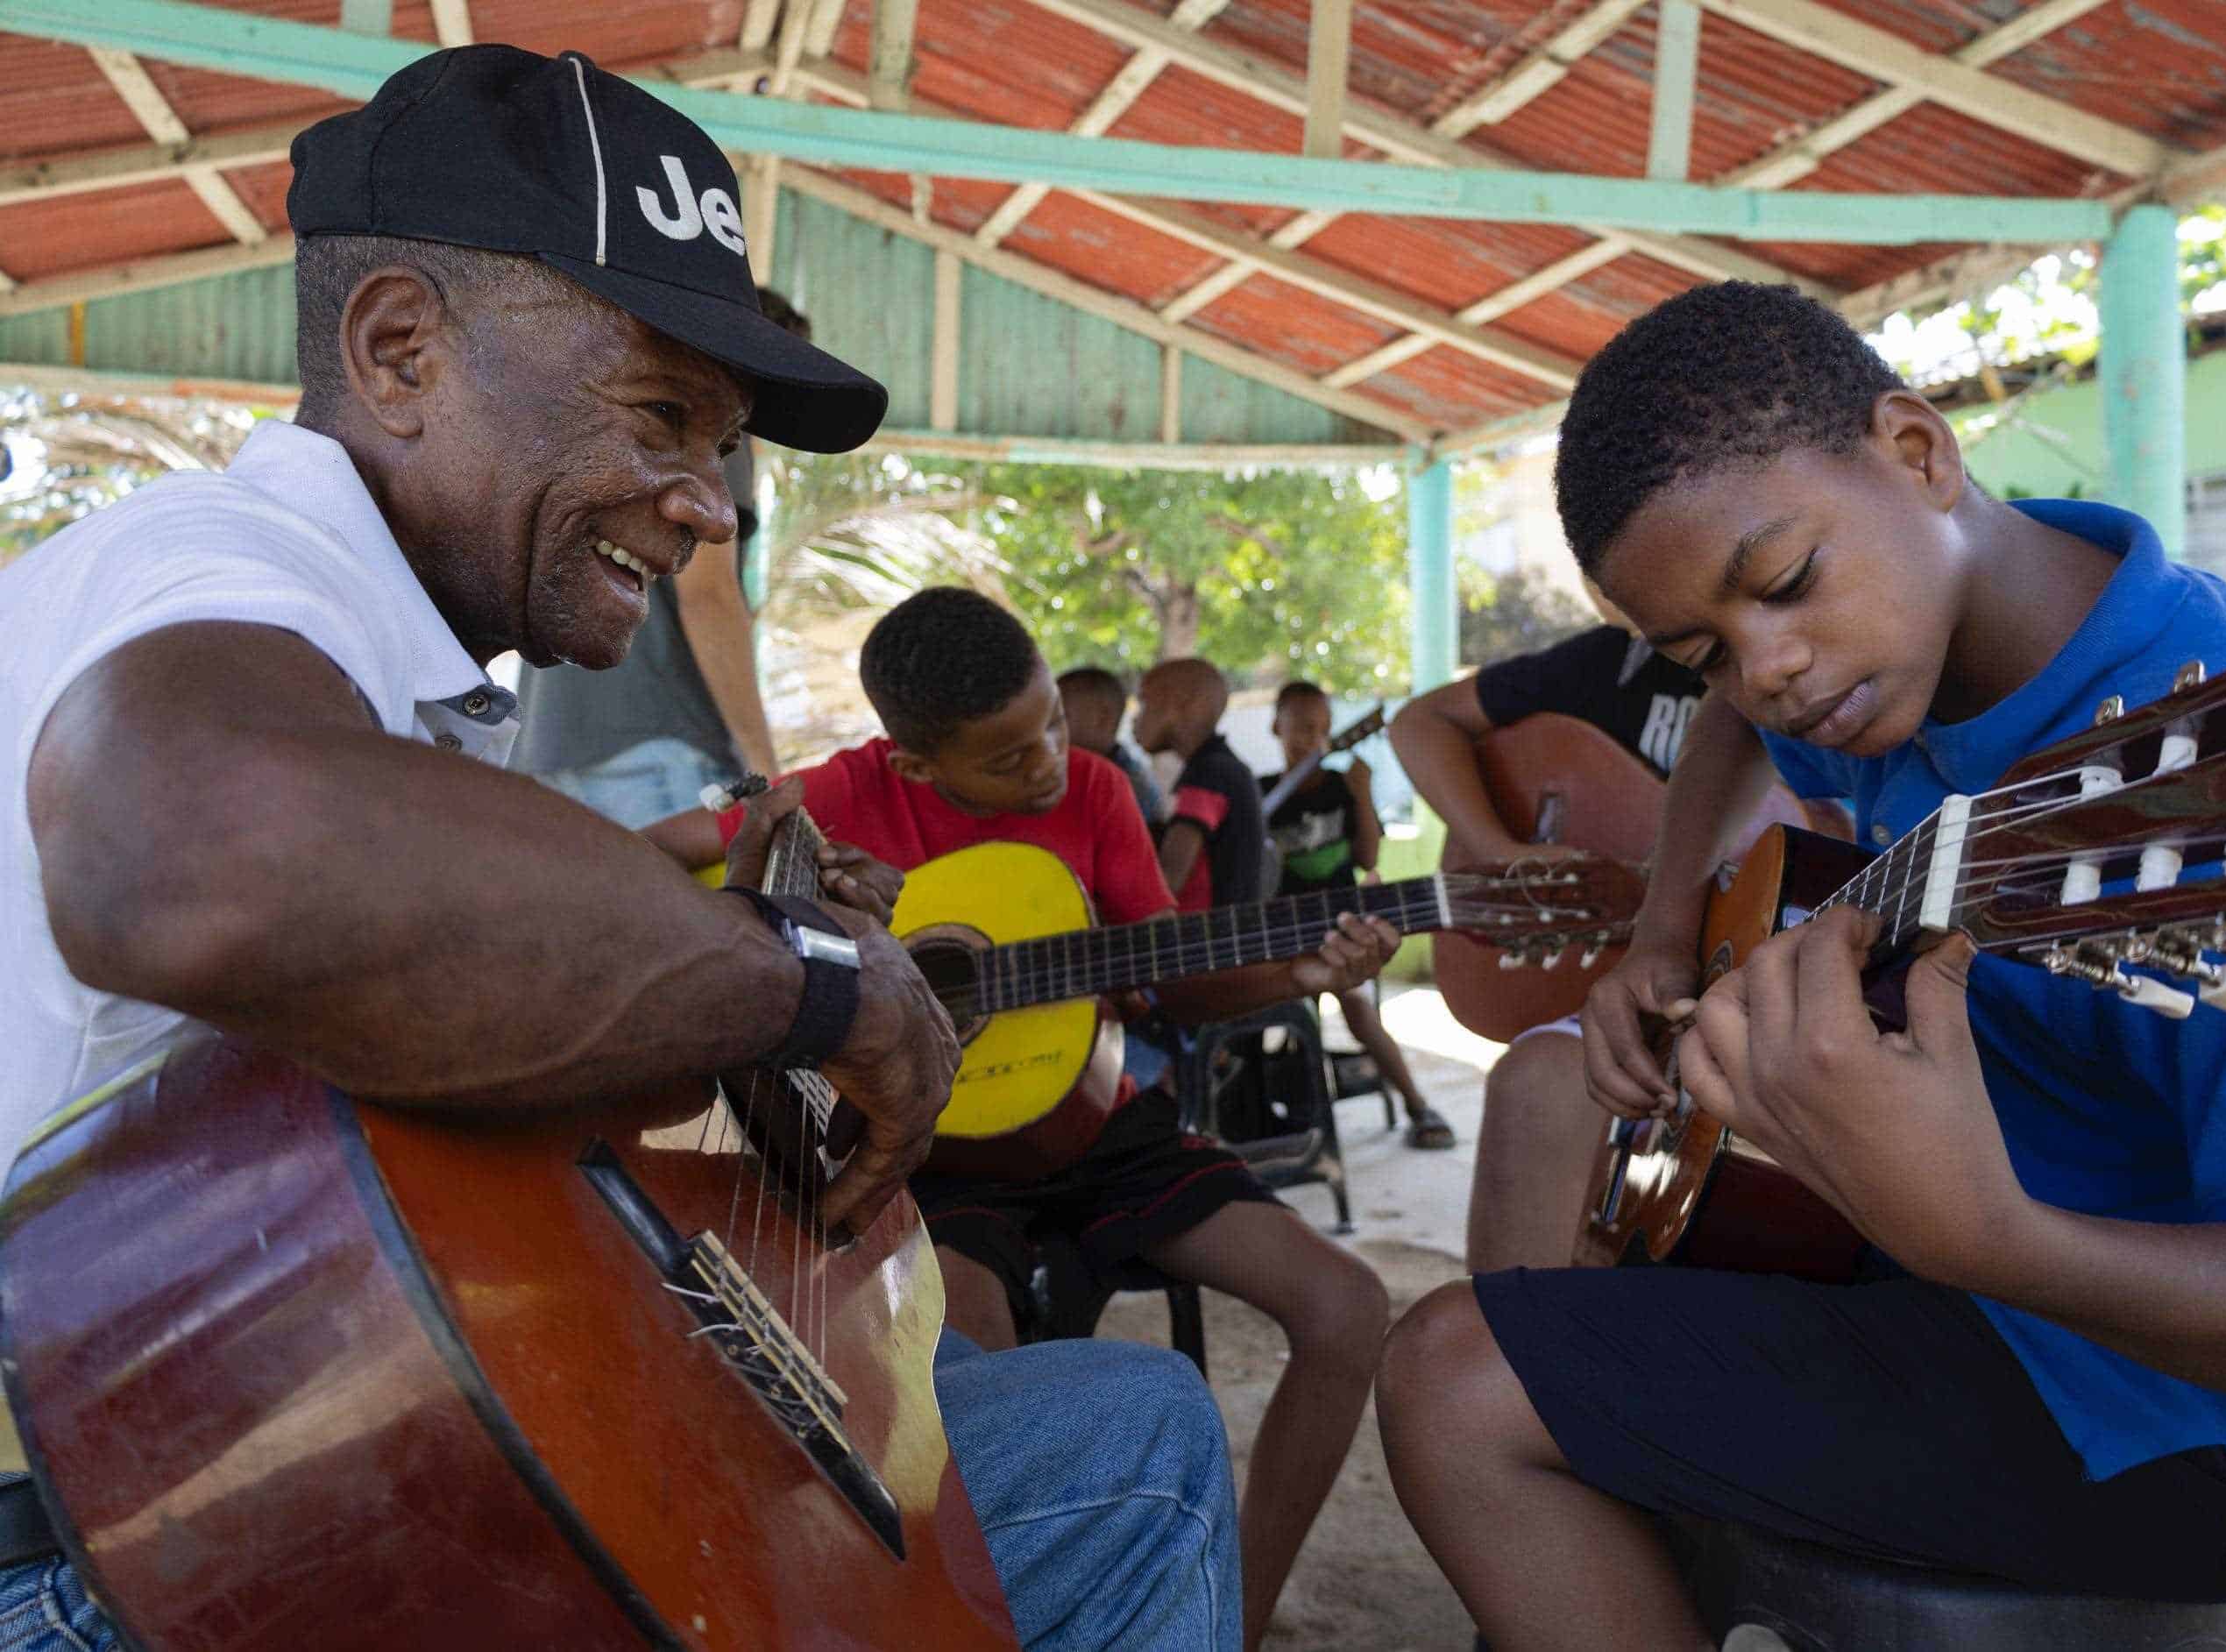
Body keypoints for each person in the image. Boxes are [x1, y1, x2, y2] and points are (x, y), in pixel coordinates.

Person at [0, 46, 1243, 1651]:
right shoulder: (228, 567)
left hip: (263, 1473)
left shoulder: (413, 668)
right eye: (663, 414)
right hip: (120, 1552)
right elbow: (197, 856)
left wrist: (716, 991)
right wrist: (800, 985)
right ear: (398, 352)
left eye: (723, 443)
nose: (711, 503)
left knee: (996, 1418)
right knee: (1130, 1457)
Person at [1374, 280, 2226, 1650]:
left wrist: (1991, 1235)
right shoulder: (1886, 661)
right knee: (1548, 1104)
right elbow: (1730, 729)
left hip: (2172, 1417)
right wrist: (1662, 936)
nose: (1766, 669)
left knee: (1453, 1379)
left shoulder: (2224, 767)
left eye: (1781, 585)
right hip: (1950, 1267)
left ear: (1918, 452)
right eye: (1707, 646)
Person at [652, 590, 1397, 1651]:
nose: (1047, 761)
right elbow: (656, 854)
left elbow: (1167, 973)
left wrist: (1301, 970)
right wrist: (770, 933)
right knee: (972, 1382)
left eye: (1051, 721)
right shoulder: (843, 797)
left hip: (1106, 1133)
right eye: (1007, 759)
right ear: (912, 763)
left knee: (1349, 1306)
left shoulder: (1093, 789)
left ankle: (1240, 1618)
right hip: (939, 1164)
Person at [1393, 606, 1827, 1267]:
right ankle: (1518, 1348)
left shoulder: (1809, 651)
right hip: (1649, 981)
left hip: (1782, 978)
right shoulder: (1605, 661)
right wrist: (1500, 851)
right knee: (1533, 1081)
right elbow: (1420, 721)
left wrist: (1666, 895)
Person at [507, 288, 812, 827]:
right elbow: (710, 598)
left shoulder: (609, 431)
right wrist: (765, 764)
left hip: (546, 744)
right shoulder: (722, 440)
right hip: (661, 748)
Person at [1264, 680, 1450, 1149]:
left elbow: (1369, 859)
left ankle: (1418, 1105)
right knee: (1262, 1017)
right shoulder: (1259, 794)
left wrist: (1363, 793)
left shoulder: (1342, 789)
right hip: (1278, 936)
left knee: (1361, 1013)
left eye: (1320, 728)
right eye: (1300, 726)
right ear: (1275, 726)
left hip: (1342, 932)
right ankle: (1266, 1115)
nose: (1310, 737)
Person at [1133, 656, 1265, 913]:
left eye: (1144, 703)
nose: (1135, 719)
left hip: (1210, 943)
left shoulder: (1210, 774)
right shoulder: (1222, 767)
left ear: (1183, 704)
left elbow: (1169, 880)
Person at [1058, 663, 1169, 826]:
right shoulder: (1064, 768)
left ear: (1102, 718)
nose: (1048, 729)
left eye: (1061, 717)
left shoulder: (1129, 785)